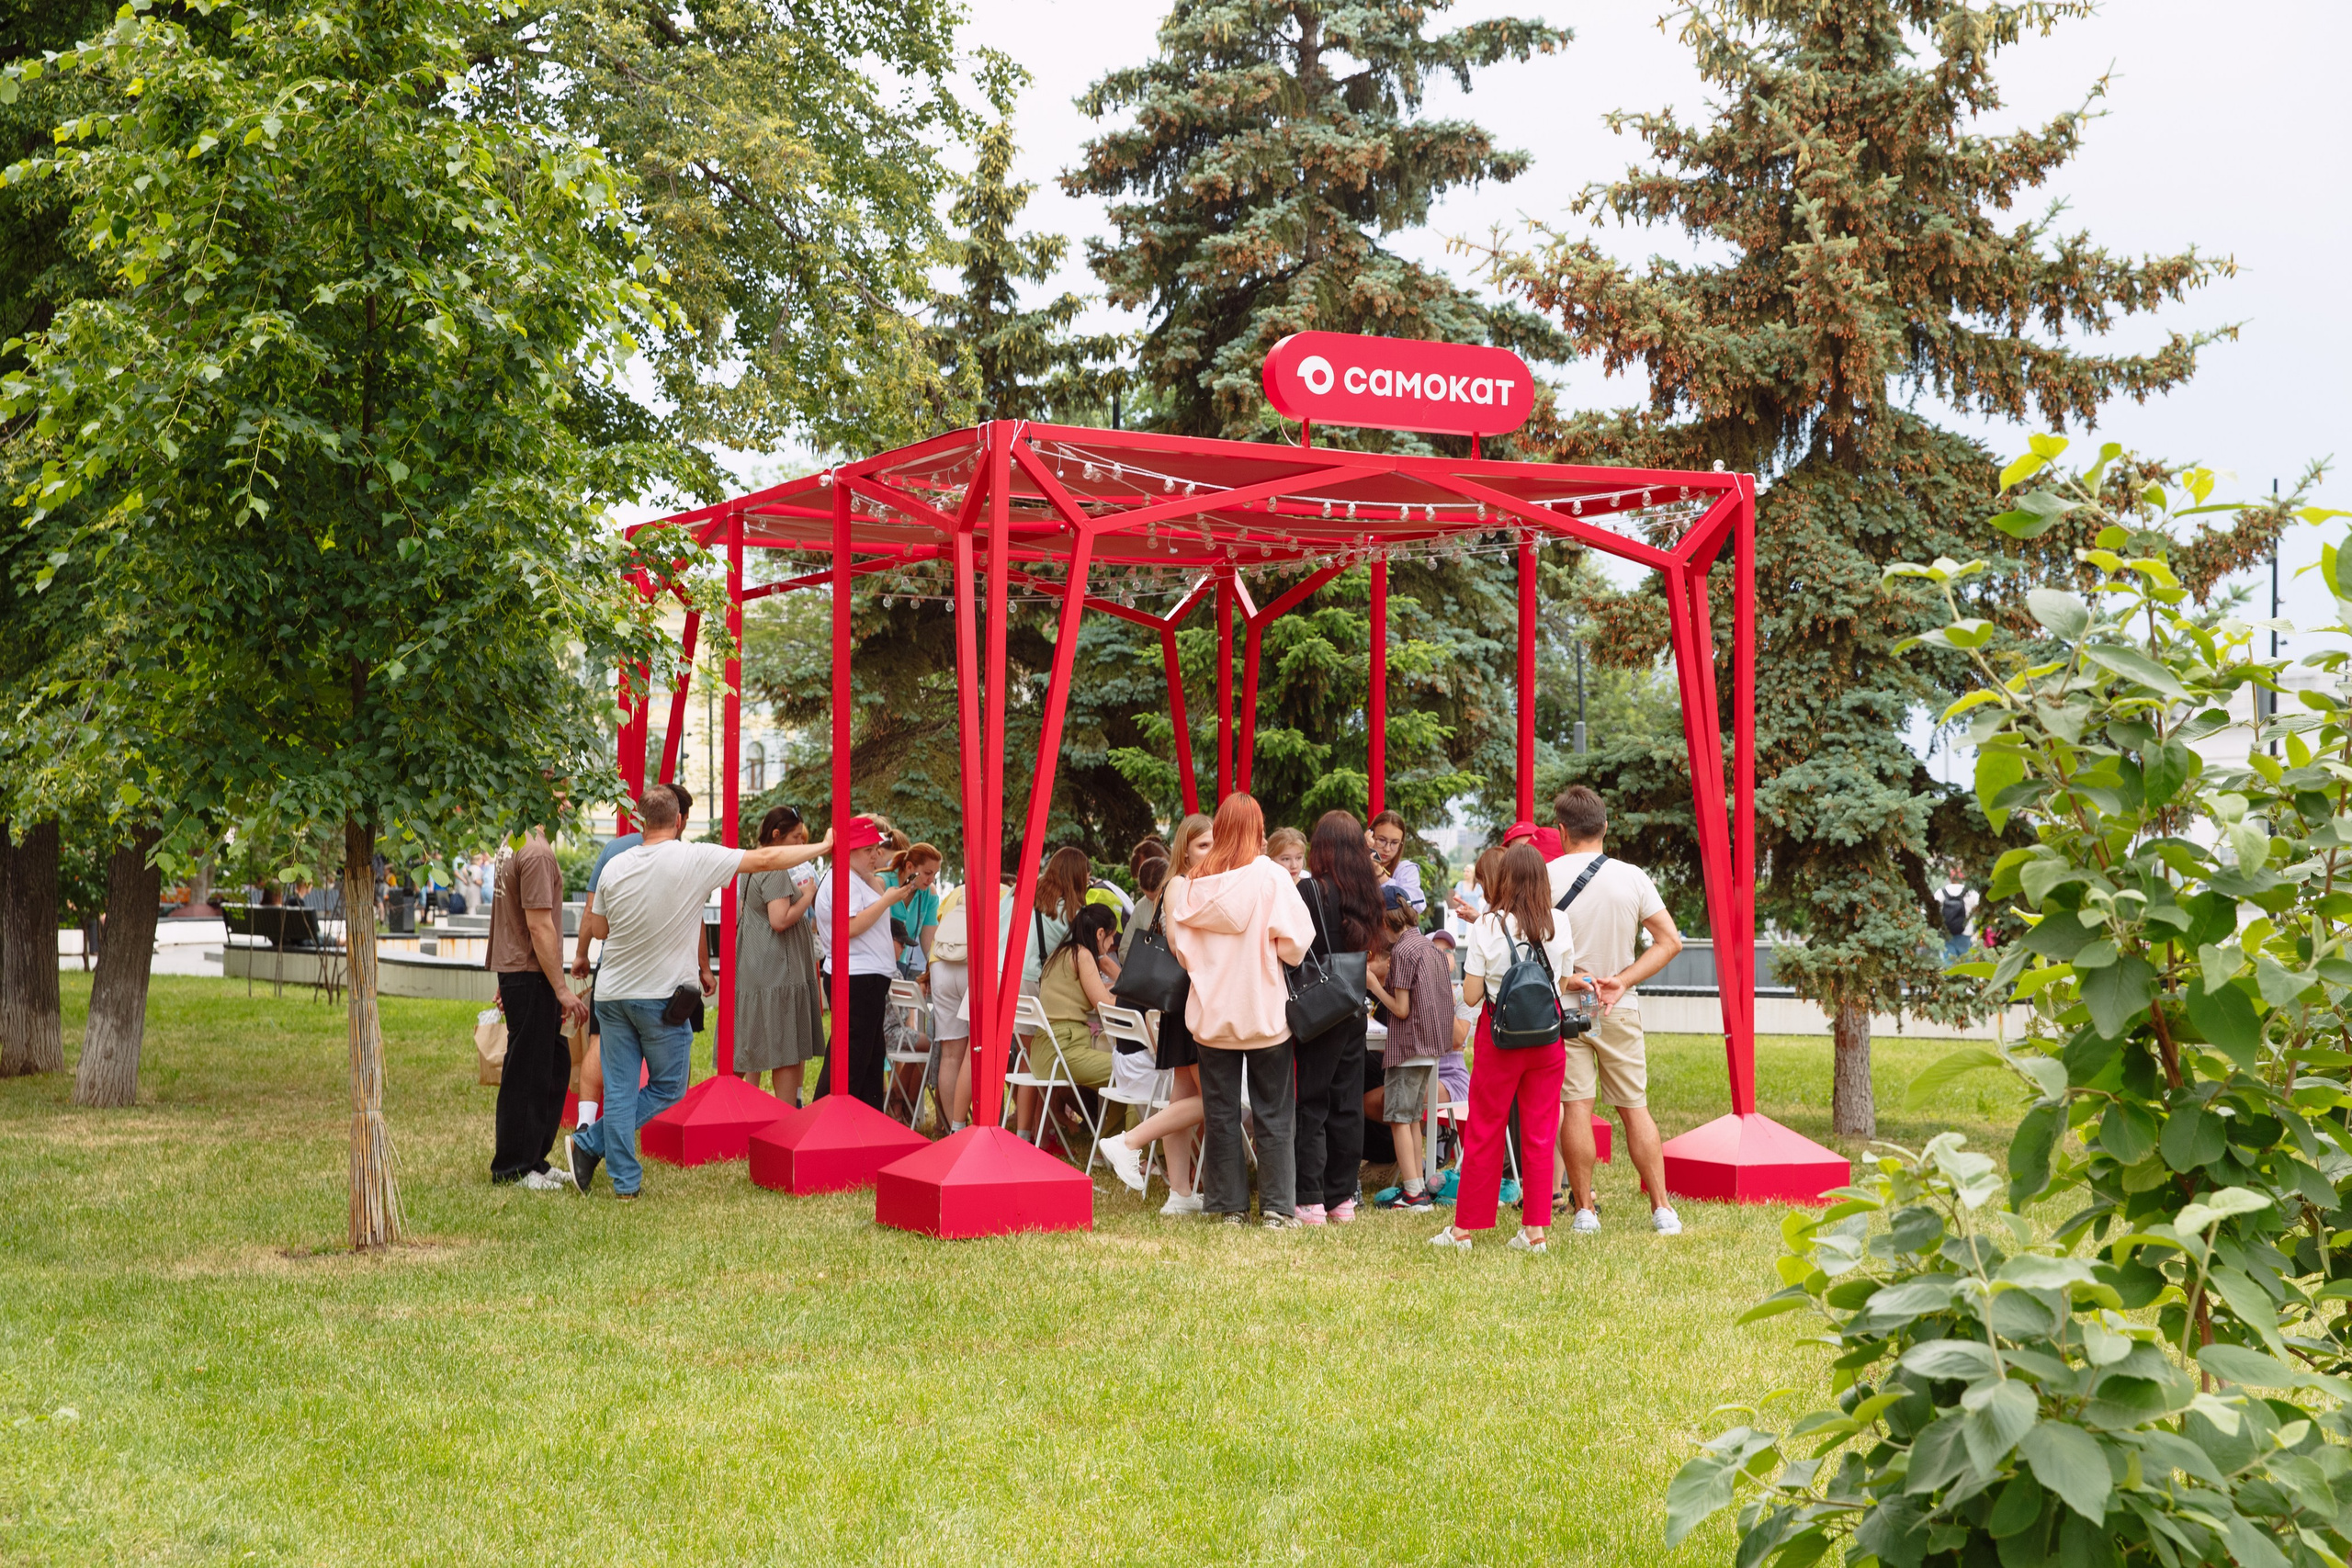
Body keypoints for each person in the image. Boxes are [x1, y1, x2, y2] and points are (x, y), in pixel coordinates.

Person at [566, 789, 830, 1199]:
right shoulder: (692, 858)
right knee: (670, 1087)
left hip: (612, 992)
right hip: (658, 995)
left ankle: (623, 1182)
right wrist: (826, 846)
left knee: (619, 1089)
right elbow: (765, 858)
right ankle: (589, 1144)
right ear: (677, 821)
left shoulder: (615, 865)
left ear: (641, 822)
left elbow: (599, 929)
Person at [1159, 794, 1314, 1228]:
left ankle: (1227, 1207)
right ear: (1257, 829)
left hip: (1211, 1015)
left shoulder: (1192, 885)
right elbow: (1297, 943)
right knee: (1274, 1113)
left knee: (1221, 1112)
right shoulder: (1270, 877)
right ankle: (1278, 1209)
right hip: (1264, 1012)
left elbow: (1180, 949)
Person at [1428, 841, 1589, 1253]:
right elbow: (1565, 979)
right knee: (1539, 1134)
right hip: (1548, 1039)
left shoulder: (1486, 925)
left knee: (1485, 1131)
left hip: (1500, 1039)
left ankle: (1464, 1229)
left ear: (1506, 879)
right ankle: (1535, 1231)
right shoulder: (1559, 922)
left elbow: (1472, 992)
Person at [1546, 784, 1685, 1237]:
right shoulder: (1632, 876)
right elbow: (1670, 942)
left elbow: (1530, 948)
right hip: (1618, 1004)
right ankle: (1662, 1209)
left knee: (1577, 1108)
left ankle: (1584, 1211)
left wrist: (1570, 979)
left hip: (1567, 1006)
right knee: (1635, 1107)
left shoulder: (1545, 877)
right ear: (1605, 827)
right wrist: (1622, 980)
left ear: (1561, 830)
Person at [569, 784, 702, 1134]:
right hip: (667, 979)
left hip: (615, 974)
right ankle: (661, 1121)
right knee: (672, 1064)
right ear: (679, 819)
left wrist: (581, 955)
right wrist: (703, 967)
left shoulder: (614, 850)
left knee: (603, 1047)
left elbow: (592, 916)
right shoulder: (685, 857)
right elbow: (696, 920)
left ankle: (585, 1123)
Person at [1098, 812, 1213, 1213]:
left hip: (1181, 1005)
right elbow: (1180, 944)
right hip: (1189, 1002)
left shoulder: (1186, 885)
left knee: (1182, 1098)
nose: (1210, 851)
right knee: (1217, 1098)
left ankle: (1180, 1193)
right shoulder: (1181, 884)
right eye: (1203, 845)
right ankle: (1127, 1142)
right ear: (1185, 848)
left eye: (1215, 844)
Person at [1292, 809, 1385, 1225]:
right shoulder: (1367, 891)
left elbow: (1295, 946)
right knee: (1347, 1101)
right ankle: (1342, 1199)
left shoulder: (1311, 890)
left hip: (1320, 1002)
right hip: (1354, 1005)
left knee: (1312, 1099)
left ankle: (1309, 1197)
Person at [488, 823, 591, 1188]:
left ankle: (534, 1159)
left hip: (524, 971)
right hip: (531, 972)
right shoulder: (536, 850)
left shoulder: (515, 838)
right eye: (562, 787)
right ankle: (514, 1167)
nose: (568, 800)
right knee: (529, 1072)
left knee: (553, 1064)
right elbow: (539, 925)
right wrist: (561, 988)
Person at [811, 816, 934, 1109]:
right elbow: (849, 927)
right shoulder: (843, 879)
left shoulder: (857, 878)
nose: (875, 855)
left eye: (876, 849)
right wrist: (887, 901)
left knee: (867, 1056)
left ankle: (864, 1115)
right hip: (856, 976)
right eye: (868, 849)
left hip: (866, 977)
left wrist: (883, 889)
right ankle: (832, 1114)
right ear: (849, 850)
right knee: (852, 1057)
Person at [1366, 887, 1453, 1210]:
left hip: (1408, 1046)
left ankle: (1414, 1193)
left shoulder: (1402, 952)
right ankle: (1417, 1186)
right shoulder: (1429, 947)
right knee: (1413, 1117)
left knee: (1400, 1119)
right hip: (1430, 1046)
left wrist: (1374, 986)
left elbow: (1400, 1009)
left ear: (1385, 922)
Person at [734, 806, 824, 1105]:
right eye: (796, 837)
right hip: (778, 968)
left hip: (756, 962)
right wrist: (808, 895)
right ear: (777, 835)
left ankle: (746, 1105)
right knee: (785, 1045)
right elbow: (780, 919)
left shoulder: (751, 864)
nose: (801, 844)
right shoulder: (773, 867)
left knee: (755, 1039)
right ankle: (785, 1115)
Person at [1035, 903, 1125, 1151]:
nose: (1110, 945)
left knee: (1122, 1070)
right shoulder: (1083, 955)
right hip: (1063, 1050)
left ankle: (1109, 1142)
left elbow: (1092, 992)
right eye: (1111, 937)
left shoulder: (1061, 953)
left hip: (1045, 1050)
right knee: (1128, 1071)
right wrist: (1134, 997)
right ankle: (1116, 1146)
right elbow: (1103, 1004)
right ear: (1100, 934)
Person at [928, 873, 1014, 1132]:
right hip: (977, 964)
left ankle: (955, 1127)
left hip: (939, 964)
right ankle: (990, 1125)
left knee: (951, 1055)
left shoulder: (957, 891)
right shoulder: (1007, 894)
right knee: (985, 1050)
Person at [1368, 809, 1425, 917]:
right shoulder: (1357, 867)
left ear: (1401, 844)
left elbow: (1410, 907)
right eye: (1381, 840)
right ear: (1370, 836)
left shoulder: (1406, 869)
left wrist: (1378, 871)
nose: (1387, 849)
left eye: (1394, 843)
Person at [1937, 863, 1977, 964]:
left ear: (1950, 878)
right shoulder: (1971, 893)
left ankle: (1949, 980)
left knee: (1948, 964)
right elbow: (1978, 908)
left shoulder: (1941, 892)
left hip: (1946, 933)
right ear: (1963, 878)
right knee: (1966, 964)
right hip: (1965, 933)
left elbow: (1933, 909)